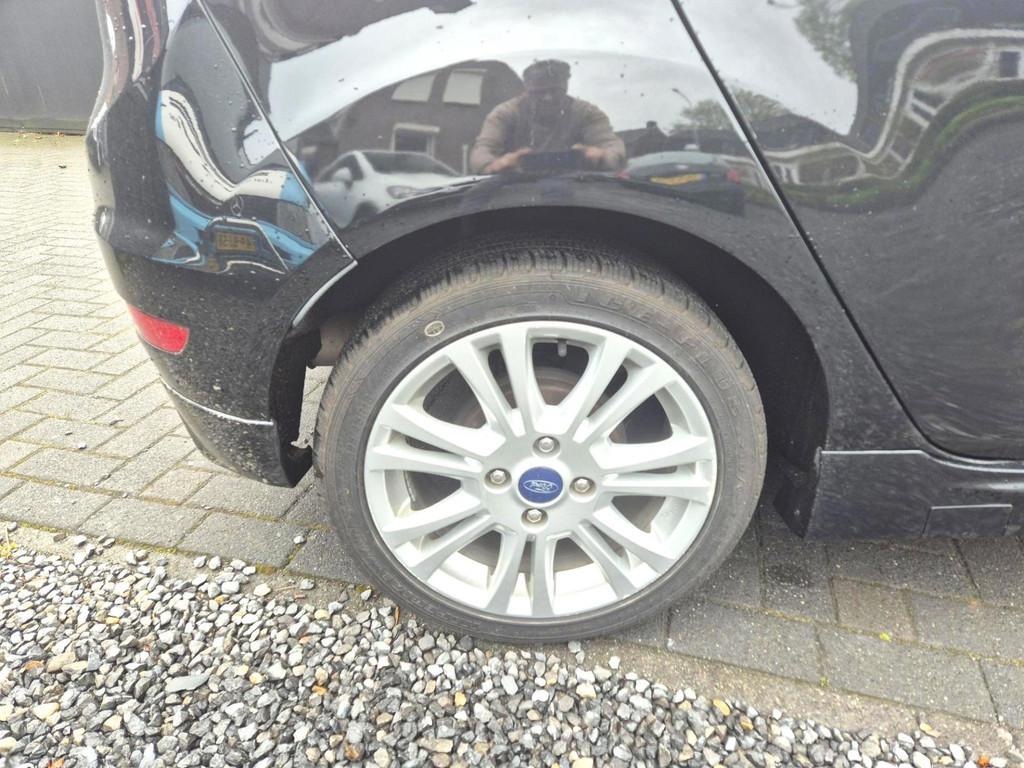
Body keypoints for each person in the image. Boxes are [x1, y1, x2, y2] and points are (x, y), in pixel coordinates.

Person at [469, 60, 626, 174]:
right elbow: (481, 151)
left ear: (565, 87)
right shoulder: (505, 113)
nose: (548, 98)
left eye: (555, 90)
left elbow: (613, 146)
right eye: (539, 92)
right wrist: (495, 165)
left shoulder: (587, 113)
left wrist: (603, 157)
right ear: (526, 89)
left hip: (578, 188)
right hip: (514, 188)